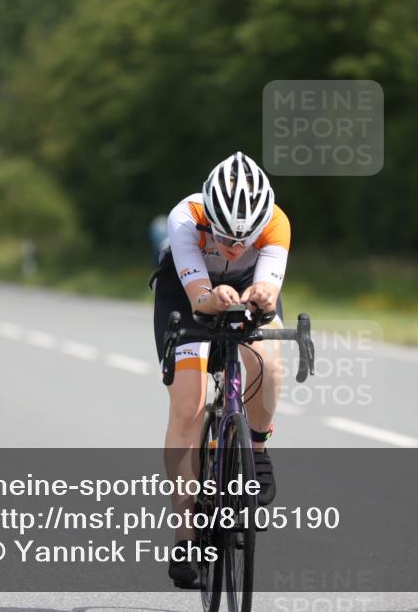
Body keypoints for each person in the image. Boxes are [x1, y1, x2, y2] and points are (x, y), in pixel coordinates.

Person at [151, 151, 290, 587]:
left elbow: (268, 283)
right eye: (226, 238)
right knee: (188, 409)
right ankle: (186, 534)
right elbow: (199, 299)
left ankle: (258, 452)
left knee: (269, 364)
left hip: (246, 289)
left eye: (244, 240)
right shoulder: (185, 218)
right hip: (186, 296)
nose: (234, 247)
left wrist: (262, 295)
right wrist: (212, 296)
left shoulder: (277, 223)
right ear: (209, 216)